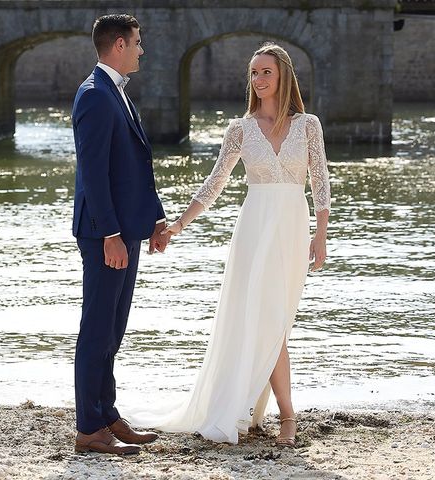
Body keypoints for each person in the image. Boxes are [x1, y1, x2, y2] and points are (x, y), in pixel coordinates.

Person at [129, 42, 331, 447]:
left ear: (283, 75)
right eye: (253, 73)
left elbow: (321, 181)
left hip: (291, 227)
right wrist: (179, 225)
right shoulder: (240, 128)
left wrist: (321, 234)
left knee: (276, 319)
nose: (258, 80)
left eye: (265, 72)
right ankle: (287, 416)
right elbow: (216, 181)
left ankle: (261, 409)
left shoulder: (308, 125)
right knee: (265, 319)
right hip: (254, 228)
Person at [71, 14, 170, 455]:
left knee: (113, 330)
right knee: (96, 329)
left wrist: (155, 219)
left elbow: (134, 168)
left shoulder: (117, 93)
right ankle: (89, 429)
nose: (141, 50)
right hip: (103, 233)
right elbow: (92, 173)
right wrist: (110, 232)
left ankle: (107, 413)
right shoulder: (94, 95)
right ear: (117, 45)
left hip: (124, 230)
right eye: (137, 43)